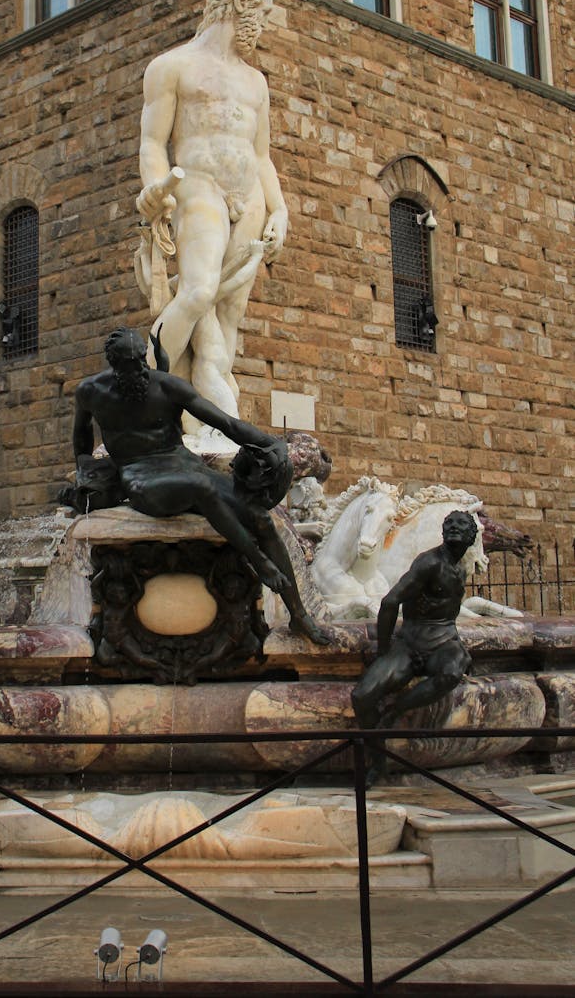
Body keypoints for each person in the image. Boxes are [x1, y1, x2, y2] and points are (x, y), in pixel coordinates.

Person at [70, 327, 330, 645]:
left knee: (261, 517)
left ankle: (299, 615)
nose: (138, 369)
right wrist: (86, 467)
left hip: (183, 464)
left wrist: (268, 444)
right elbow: (81, 437)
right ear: (114, 364)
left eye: (141, 361)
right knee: (199, 488)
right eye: (130, 364)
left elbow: (226, 423)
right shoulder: (91, 392)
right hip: (141, 478)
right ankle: (258, 561)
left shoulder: (166, 387)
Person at [135, 0, 288, 422]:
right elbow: (152, 143)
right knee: (199, 291)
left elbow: (261, 154)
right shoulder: (172, 66)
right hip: (197, 187)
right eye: (259, 17)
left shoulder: (256, 82)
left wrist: (279, 209)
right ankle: (142, 397)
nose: (260, 29)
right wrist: (155, 190)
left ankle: (207, 420)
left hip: (251, 198)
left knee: (227, 315)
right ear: (238, 6)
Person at [351, 510, 479, 781]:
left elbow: (448, 615)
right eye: (450, 523)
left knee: (452, 672)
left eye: (461, 525)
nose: (454, 528)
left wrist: (458, 648)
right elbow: (389, 602)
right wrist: (383, 652)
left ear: (471, 536)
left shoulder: (461, 567)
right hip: (409, 644)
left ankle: (394, 711)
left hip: (443, 643)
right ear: (443, 532)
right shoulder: (429, 563)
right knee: (362, 695)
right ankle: (377, 763)